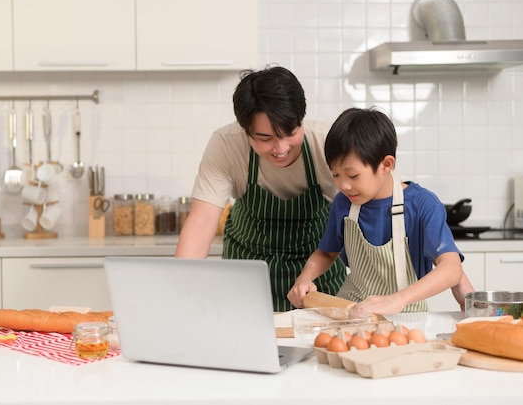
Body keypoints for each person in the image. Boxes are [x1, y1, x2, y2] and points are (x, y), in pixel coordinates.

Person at [175, 66, 347, 311]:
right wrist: (177, 290)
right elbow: (202, 223)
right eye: (265, 138)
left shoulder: (328, 142)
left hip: (316, 286)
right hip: (244, 282)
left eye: (290, 133)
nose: (280, 148)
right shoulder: (226, 144)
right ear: (245, 130)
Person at [287, 107, 474, 314]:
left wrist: (397, 299)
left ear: (386, 165)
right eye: (336, 175)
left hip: (406, 314)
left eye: (353, 175)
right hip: (352, 312)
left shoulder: (422, 205)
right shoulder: (344, 204)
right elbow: (325, 252)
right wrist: (304, 279)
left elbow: (451, 268)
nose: (343, 185)